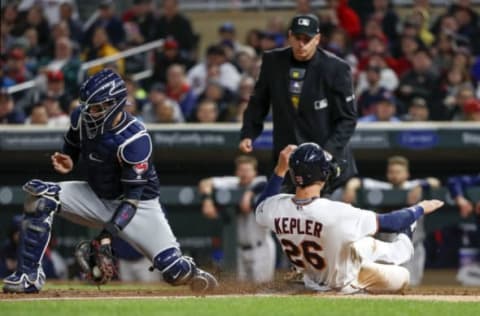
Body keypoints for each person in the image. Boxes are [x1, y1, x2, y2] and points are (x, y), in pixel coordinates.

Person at [3, 69, 217, 294]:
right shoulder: (81, 118)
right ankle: (28, 276)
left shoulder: (136, 139)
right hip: (96, 195)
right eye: (88, 106)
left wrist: (106, 235)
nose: (89, 112)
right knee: (39, 198)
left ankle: (191, 271)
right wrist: (70, 159)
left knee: (174, 272)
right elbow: (73, 142)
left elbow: (132, 199)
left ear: (114, 104)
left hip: (138, 206)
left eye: (96, 108)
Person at [255, 143, 444, 293]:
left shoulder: (276, 206)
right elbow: (392, 223)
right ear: (322, 174)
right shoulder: (337, 211)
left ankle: (305, 276)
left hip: (312, 272)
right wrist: (419, 209)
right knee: (403, 274)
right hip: (341, 285)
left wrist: (279, 171)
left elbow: (261, 206)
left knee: (361, 245)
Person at [239, 14, 358, 195]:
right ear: (289, 36)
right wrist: (249, 132)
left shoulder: (336, 67)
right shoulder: (273, 61)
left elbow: (348, 119)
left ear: (317, 39)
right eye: (297, 38)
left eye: (307, 39)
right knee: (282, 219)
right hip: (288, 159)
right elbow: (259, 101)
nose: (302, 44)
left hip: (328, 163)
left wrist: (326, 153)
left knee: (324, 220)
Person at [342, 155, 441, 286]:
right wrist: (350, 188)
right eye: (391, 172)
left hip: (413, 246)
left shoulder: (414, 186)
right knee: (384, 284)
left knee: (412, 285)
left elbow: (435, 182)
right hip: (385, 248)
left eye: (398, 172)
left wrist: (421, 186)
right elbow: (356, 181)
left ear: (407, 174)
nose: (394, 175)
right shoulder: (382, 186)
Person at [198, 156, 275, 284]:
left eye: (247, 170)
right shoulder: (233, 183)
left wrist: (249, 193)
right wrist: (207, 200)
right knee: (241, 289)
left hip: (261, 248)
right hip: (239, 250)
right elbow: (205, 183)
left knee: (263, 289)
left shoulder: (260, 182)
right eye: (241, 170)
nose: (244, 174)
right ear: (236, 172)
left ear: (254, 172)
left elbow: (265, 183)